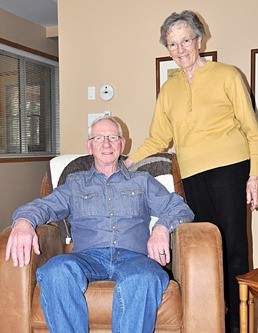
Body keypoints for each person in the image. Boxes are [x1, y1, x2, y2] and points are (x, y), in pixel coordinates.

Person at [125, 10, 258, 333]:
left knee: (233, 246)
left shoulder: (227, 74)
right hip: (193, 175)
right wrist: (126, 164)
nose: (180, 49)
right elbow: (158, 138)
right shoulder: (168, 90)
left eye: (185, 40)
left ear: (199, 40)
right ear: (167, 49)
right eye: (172, 44)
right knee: (204, 246)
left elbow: (252, 130)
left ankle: (240, 324)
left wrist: (254, 175)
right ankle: (212, 317)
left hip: (231, 168)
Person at [5, 115, 194, 333]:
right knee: (55, 271)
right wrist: (23, 222)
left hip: (135, 257)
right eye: (99, 138)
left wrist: (161, 228)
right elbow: (43, 207)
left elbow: (180, 209)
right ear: (89, 145)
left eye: (113, 137)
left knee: (145, 277)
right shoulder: (75, 184)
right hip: (87, 257)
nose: (106, 143)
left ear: (122, 144)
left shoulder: (142, 181)